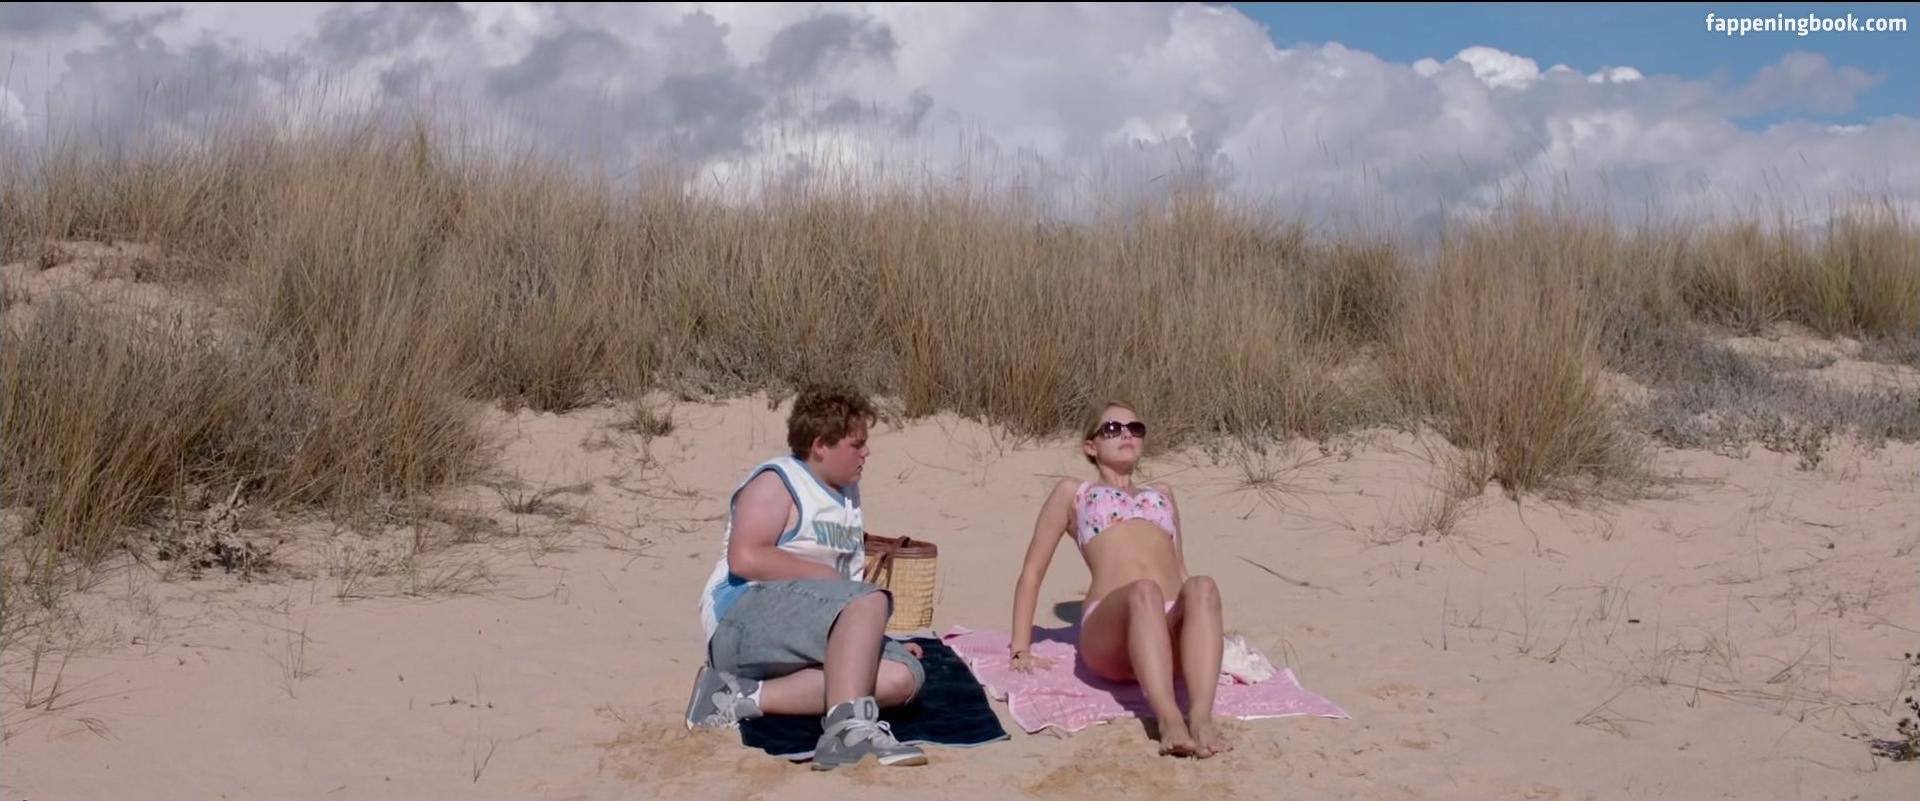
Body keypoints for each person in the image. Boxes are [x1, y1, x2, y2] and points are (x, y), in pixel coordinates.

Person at [686, 386, 928, 770]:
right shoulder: (779, 482)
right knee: (869, 598)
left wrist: (873, 637)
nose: (866, 453)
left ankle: (734, 698)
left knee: (902, 678)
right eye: (856, 444)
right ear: (820, 445)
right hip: (741, 621)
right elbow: (745, 557)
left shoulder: (847, 495)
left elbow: (840, 599)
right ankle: (847, 732)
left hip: (805, 627)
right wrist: (828, 578)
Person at [1007, 401, 1233, 758]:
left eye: (1135, 428)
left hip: (1167, 625)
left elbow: (1180, 568)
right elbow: (1033, 571)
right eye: (1112, 429)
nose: (1126, 434)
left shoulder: (1162, 494)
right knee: (1145, 591)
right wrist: (1021, 646)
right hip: (1111, 633)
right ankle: (1169, 718)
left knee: (1202, 585)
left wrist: (1203, 626)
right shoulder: (1074, 493)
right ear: (1091, 446)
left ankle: (1202, 718)